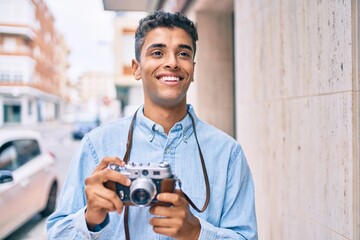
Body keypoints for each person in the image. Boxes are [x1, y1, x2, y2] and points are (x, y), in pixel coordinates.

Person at [47, 10, 257, 240]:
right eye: (158, 52)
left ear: (193, 69)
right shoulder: (96, 146)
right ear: (136, 68)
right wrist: (90, 218)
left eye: (183, 53)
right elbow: (56, 234)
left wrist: (197, 232)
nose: (172, 63)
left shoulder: (228, 154)